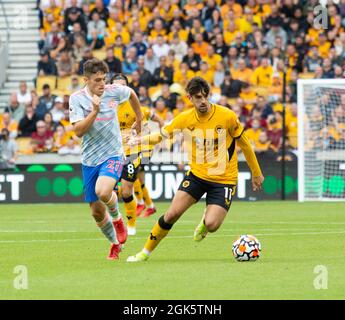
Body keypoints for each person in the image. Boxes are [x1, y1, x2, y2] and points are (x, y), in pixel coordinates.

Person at [126, 77, 264, 262]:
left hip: (224, 180)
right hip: (197, 176)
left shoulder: (227, 116)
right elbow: (161, 135)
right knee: (171, 214)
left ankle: (205, 223)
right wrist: (139, 140)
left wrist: (256, 172)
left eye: (206, 96)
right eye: (198, 97)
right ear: (190, 97)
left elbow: (245, 145)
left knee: (213, 224)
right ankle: (144, 253)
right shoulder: (185, 119)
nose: (203, 101)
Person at [69, 59, 142, 260]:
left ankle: (118, 219)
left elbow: (132, 94)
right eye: (97, 80)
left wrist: (139, 118)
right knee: (96, 212)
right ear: (86, 80)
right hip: (90, 160)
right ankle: (115, 244)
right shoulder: (76, 99)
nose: (102, 84)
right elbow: (78, 132)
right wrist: (94, 111)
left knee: (103, 191)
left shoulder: (114, 91)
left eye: (104, 79)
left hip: (113, 154)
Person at [111, 73, 163, 235]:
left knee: (127, 189)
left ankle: (132, 225)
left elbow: (147, 126)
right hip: (112, 153)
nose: (119, 89)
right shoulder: (107, 106)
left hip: (133, 152)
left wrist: (137, 130)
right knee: (111, 193)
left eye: (123, 86)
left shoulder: (136, 106)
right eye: (116, 85)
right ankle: (144, 205)